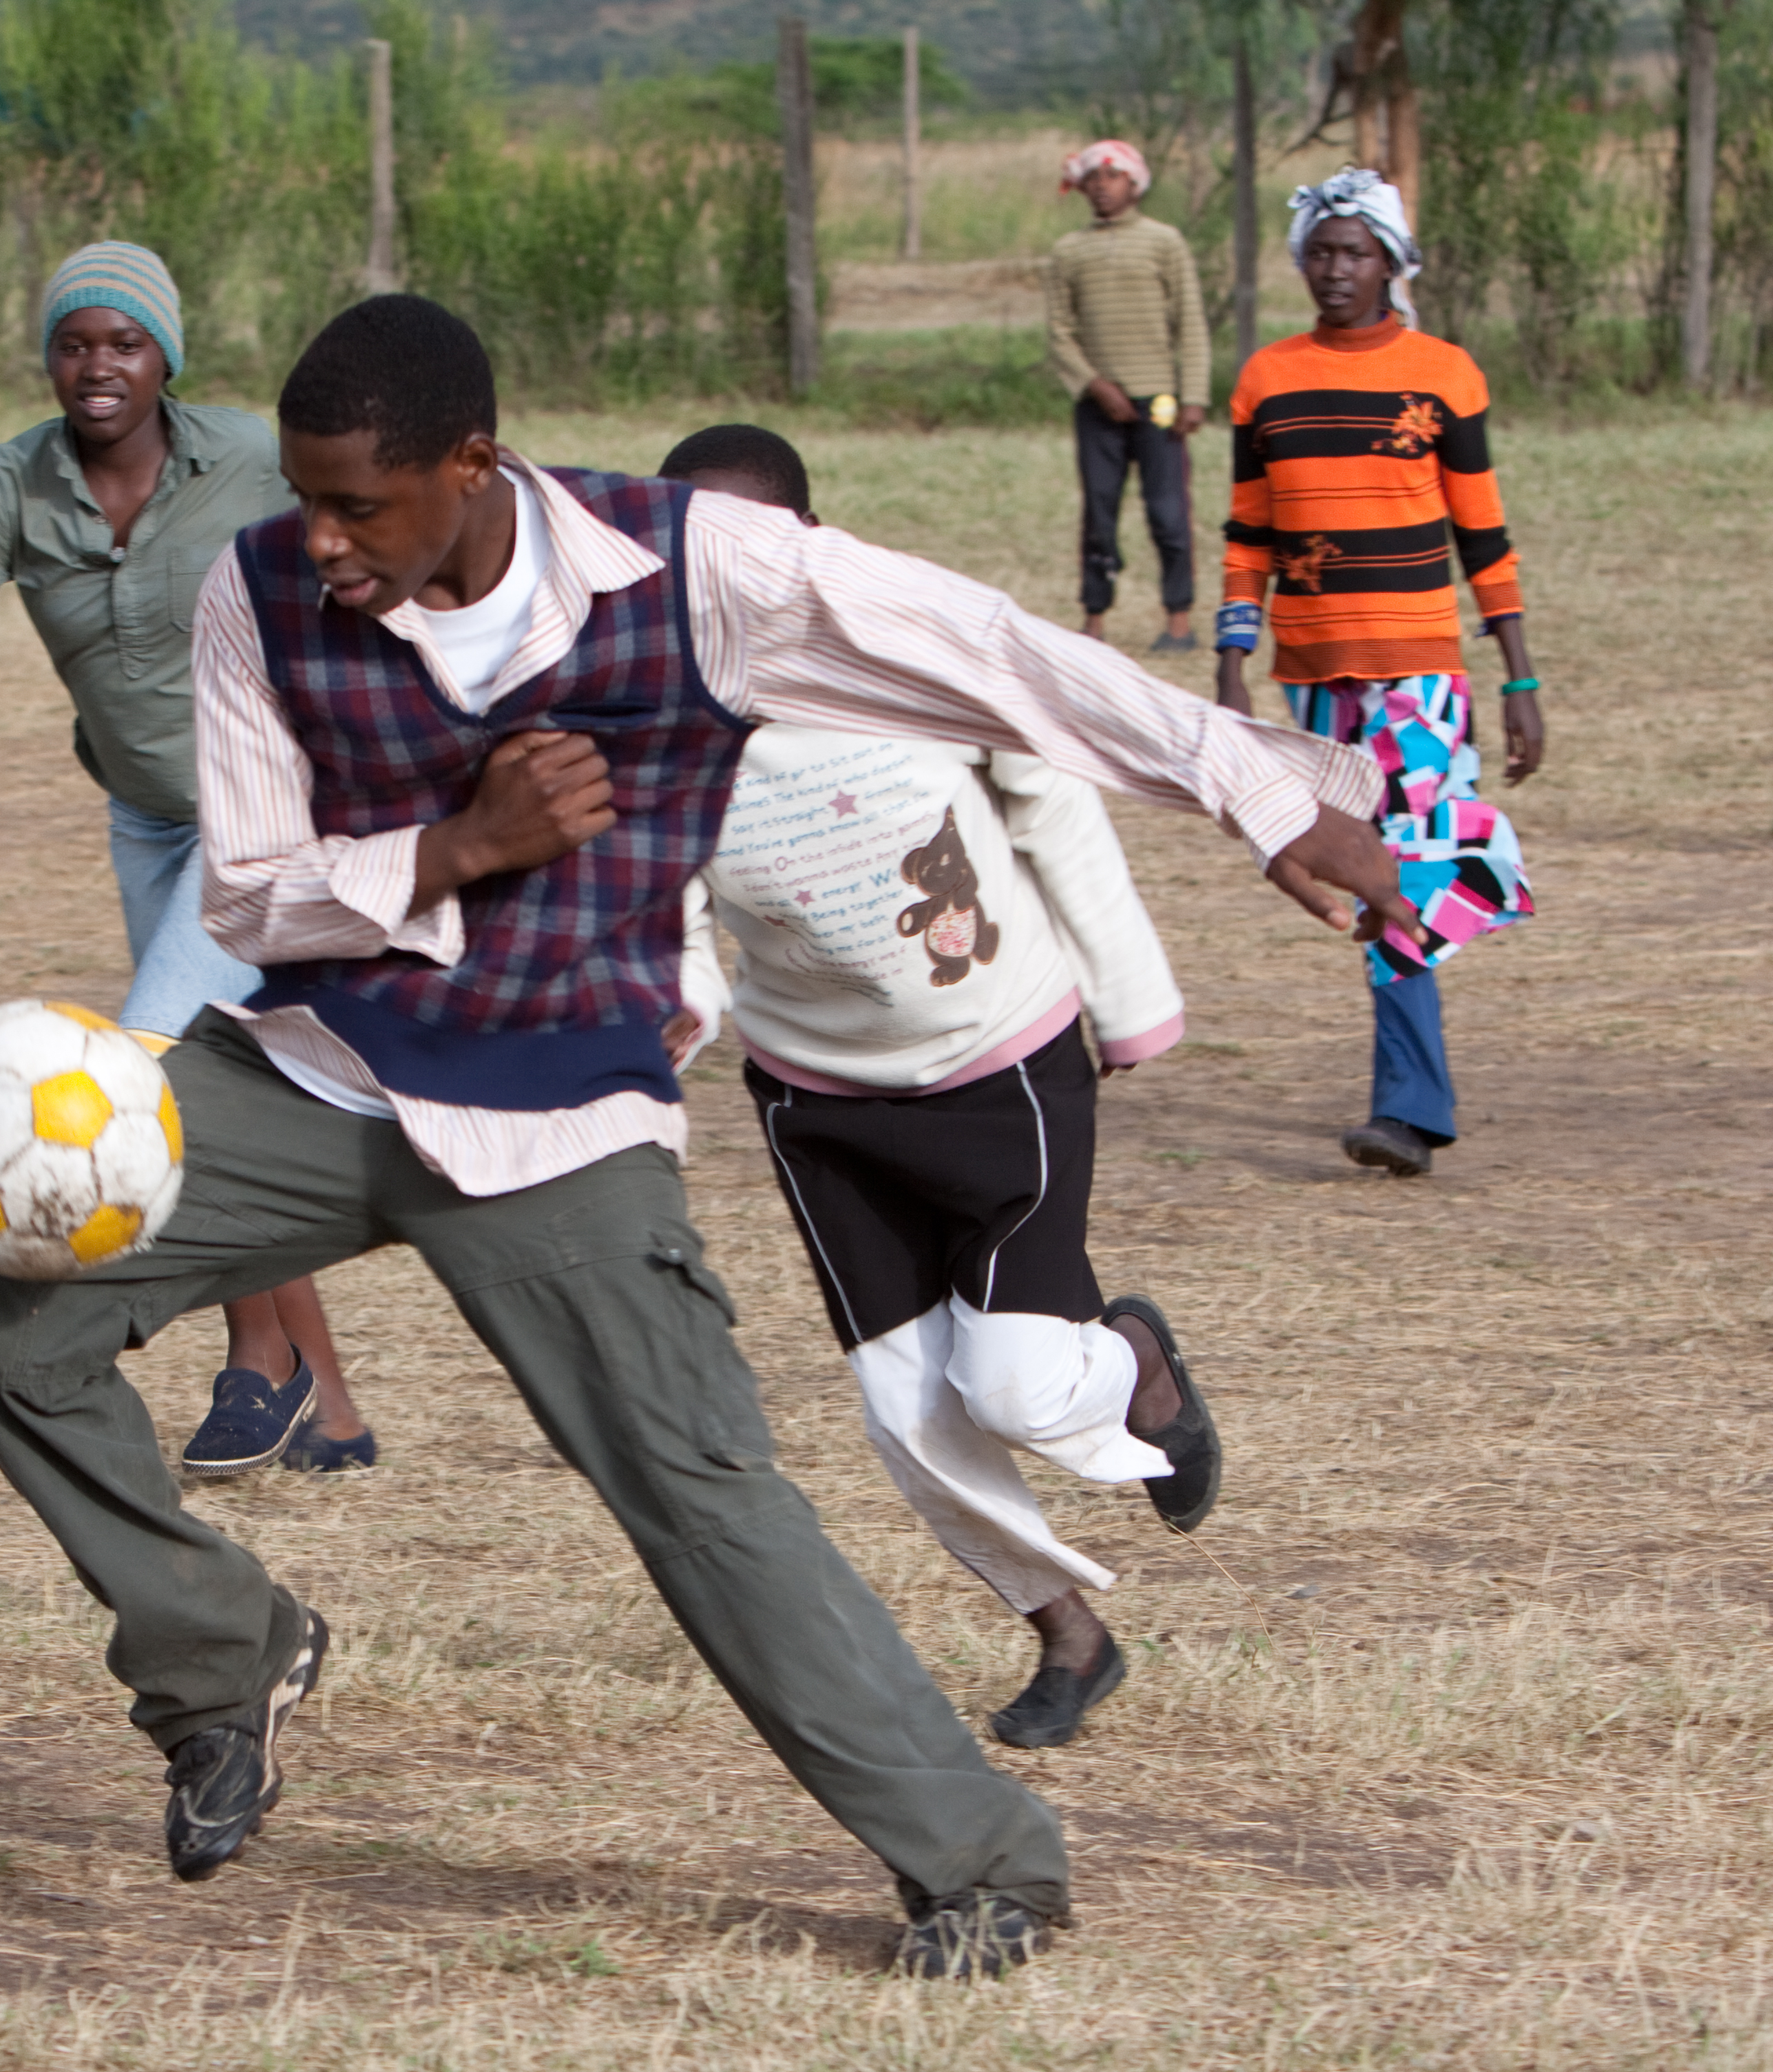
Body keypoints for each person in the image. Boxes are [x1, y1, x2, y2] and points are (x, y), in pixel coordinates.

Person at [0, 294, 1425, 1979]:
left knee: (701, 1501)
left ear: (473, 464)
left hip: (556, 1107)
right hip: (319, 1070)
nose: (317, 537)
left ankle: (985, 1861)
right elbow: (254, 889)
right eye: (307, 500)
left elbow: (994, 655)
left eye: (359, 506)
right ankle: (216, 1649)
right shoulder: (256, 590)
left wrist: (1272, 797)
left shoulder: (701, 570)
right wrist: (452, 847)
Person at [658, 423, 1304, 1753]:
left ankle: (1133, 1361)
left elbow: (1053, 800)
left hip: (998, 1059)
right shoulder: (660, 709)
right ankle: (1068, 1630)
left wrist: (1132, 1002)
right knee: (905, 1409)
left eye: (745, 548)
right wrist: (678, 1005)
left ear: (808, 550)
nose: (712, 575)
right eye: (685, 548)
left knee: (1007, 1385)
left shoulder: (907, 649)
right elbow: (657, 885)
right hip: (816, 1101)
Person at [0, 243, 373, 1474]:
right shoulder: (10, 481)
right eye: (73, 342)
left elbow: (379, 534)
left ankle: (250, 1364)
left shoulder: (253, 461)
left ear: (165, 356)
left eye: (123, 342)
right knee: (235, 1084)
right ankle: (334, 1411)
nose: (96, 366)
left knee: (151, 1075)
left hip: (261, 814)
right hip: (146, 817)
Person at [1219, 169, 1546, 1180]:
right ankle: (1419, 1073)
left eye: (1356, 252)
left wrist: (1520, 676)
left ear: (1393, 263)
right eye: (1321, 251)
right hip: (1310, 678)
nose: (1335, 270)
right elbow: (1246, 538)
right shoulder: (1265, 380)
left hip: (1417, 670)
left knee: (1393, 870)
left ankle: (1408, 1109)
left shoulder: (1445, 374)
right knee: (1360, 867)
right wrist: (1232, 664)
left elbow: (1483, 534)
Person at [1044, 140, 1213, 649]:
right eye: (1093, 177)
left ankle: (1178, 619)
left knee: (1167, 510)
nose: (1102, 186)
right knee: (1099, 511)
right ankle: (1095, 620)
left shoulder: (1165, 242)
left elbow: (1190, 322)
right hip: (1098, 406)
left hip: (1158, 401)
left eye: (1113, 177)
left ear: (1134, 184)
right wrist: (1095, 384)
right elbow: (1058, 333)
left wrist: (1193, 395)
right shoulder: (1068, 251)